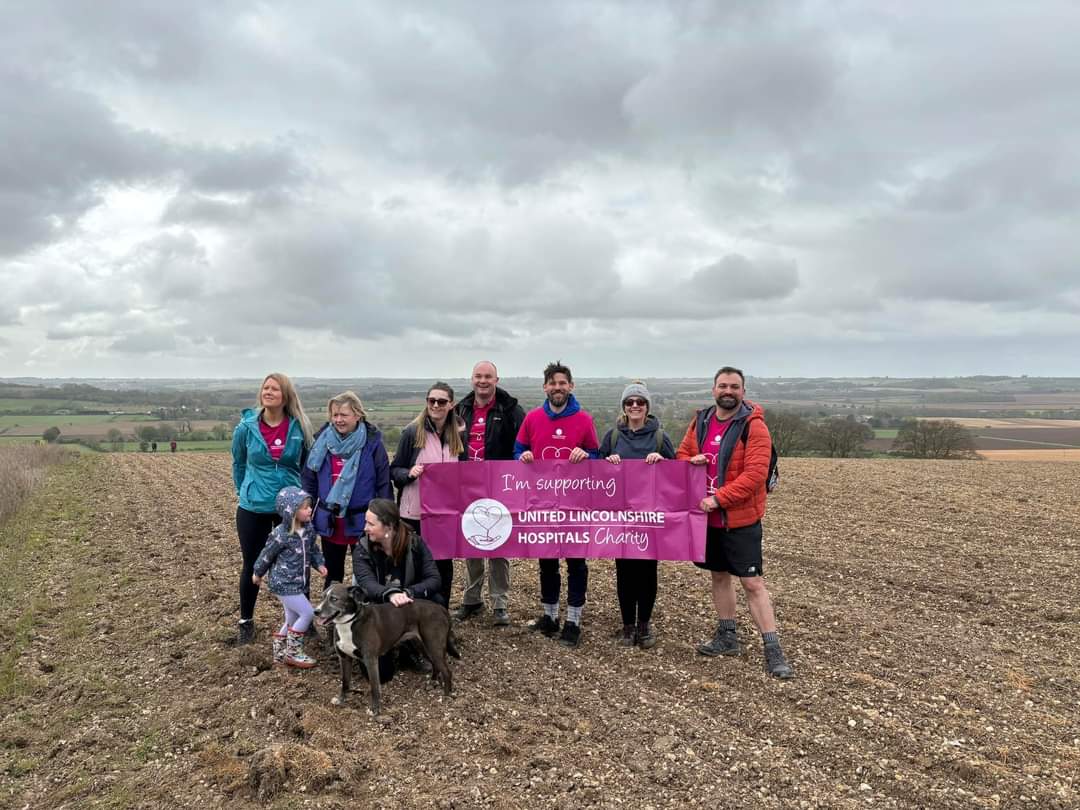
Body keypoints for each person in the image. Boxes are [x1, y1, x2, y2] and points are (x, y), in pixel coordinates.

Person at [676, 366, 793, 679]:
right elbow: (681, 455)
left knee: (753, 583)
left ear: (743, 391)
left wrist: (719, 499)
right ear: (713, 389)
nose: (728, 392)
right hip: (708, 519)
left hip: (739, 519)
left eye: (734, 387)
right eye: (723, 386)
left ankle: (773, 650)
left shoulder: (754, 427)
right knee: (718, 576)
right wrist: (692, 461)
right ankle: (727, 637)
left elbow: (755, 475)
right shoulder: (700, 421)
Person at [514, 361, 599, 647]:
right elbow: (519, 448)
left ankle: (573, 621)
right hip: (542, 503)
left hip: (575, 504)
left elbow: (597, 456)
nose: (557, 387)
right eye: (552, 383)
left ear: (571, 386)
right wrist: (522, 457)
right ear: (545, 388)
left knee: (576, 563)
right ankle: (549, 616)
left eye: (562, 383)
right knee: (547, 561)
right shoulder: (533, 417)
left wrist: (586, 455)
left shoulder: (585, 420)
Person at [231, 373, 313, 645]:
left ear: (285, 395)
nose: (268, 392)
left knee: (297, 562)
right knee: (252, 564)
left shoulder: (299, 427)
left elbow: (305, 463)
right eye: (265, 388)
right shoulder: (246, 426)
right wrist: (246, 490)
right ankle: (246, 622)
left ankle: (302, 622)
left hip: (289, 508)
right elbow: (238, 463)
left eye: (275, 389)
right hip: (253, 506)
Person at [599, 381, 675, 648]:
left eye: (639, 402)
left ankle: (644, 625)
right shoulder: (612, 437)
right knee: (624, 572)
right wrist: (607, 463)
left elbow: (677, 476)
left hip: (650, 517)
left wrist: (662, 462)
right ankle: (627, 626)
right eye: (629, 402)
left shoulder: (659, 437)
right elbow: (596, 475)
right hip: (620, 516)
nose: (634, 406)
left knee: (647, 572)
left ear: (647, 407)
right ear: (623, 406)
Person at [453, 361, 525, 627]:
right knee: (471, 544)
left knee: (498, 545)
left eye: (488, 376)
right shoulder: (460, 409)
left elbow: (523, 446)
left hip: (499, 489)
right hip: (467, 488)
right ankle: (472, 599)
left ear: (497, 379)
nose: (482, 381)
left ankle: (499, 603)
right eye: (478, 376)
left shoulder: (511, 410)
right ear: (472, 379)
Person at [301, 391, 391, 590]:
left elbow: (383, 483)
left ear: (357, 415)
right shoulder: (321, 442)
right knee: (333, 573)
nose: (339, 420)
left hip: (363, 521)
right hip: (330, 520)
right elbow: (309, 479)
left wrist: (387, 518)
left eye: (344, 415)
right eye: (335, 415)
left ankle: (369, 614)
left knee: (368, 572)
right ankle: (332, 614)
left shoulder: (372, 444)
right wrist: (304, 507)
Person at [390, 382, 465, 607]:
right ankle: (410, 615)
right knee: (411, 565)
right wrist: (409, 473)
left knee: (443, 565)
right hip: (413, 514)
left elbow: (464, 473)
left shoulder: (460, 435)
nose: (435, 405)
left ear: (451, 405)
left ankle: (440, 614)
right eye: (431, 400)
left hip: (445, 514)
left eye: (441, 401)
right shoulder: (412, 433)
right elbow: (394, 470)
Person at [353, 497, 444, 674]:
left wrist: (409, 592)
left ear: (388, 526)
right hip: (378, 608)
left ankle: (413, 647)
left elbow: (434, 578)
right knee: (382, 672)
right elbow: (366, 583)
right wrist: (390, 593)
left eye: (370, 524)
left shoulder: (415, 543)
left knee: (436, 601)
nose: (365, 528)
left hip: (408, 606)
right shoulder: (362, 548)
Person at [251, 486, 328, 668]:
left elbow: (313, 550)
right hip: (283, 583)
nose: (309, 510)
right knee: (307, 613)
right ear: (291, 512)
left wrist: (320, 564)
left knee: (292, 619)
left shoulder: (309, 530)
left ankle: (279, 654)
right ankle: (293, 653)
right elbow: (266, 554)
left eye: (309, 506)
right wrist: (257, 572)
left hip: (299, 583)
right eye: (304, 507)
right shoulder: (281, 534)